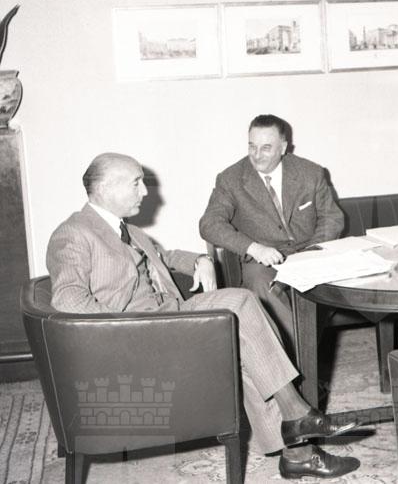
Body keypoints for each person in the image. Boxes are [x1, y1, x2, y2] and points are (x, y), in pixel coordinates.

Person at [46, 152, 360, 479]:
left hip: (169, 316)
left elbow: (164, 256)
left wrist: (200, 260)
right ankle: (297, 414)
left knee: (245, 330)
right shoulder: (74, 233)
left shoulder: (128, 230)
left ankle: (297, 451)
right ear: (105, 187)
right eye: (136, 183)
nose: (145, 191)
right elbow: (68, 299)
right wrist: (131, 326)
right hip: (138, 337)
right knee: (239, 305)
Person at [199, 114, 344, 351]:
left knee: (341, 282)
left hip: (310, 253)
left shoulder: (311, 173)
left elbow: (332, 218)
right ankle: (298, 361)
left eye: (266, 148)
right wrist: (254, 248)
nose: (257, 155)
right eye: (252, 146)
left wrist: (313, 253)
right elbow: (209, 224)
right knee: (260, 283)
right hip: (263, 261)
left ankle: (297, 355)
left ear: (283, 148)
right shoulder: (231, 179)